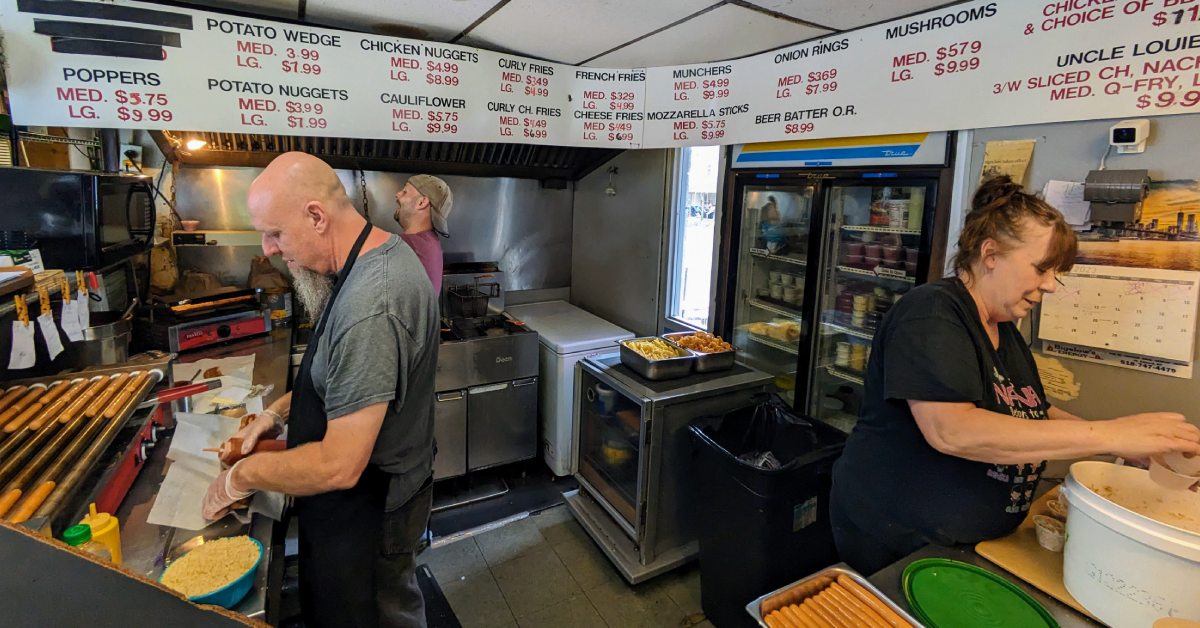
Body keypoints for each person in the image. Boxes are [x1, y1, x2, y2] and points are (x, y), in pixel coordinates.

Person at [829, 175, 1200, 575]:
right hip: (901, 538)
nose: (1051, 286)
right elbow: (952, 431)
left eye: (1056, 272)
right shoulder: (932, 312)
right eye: (1042, 269)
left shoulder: (1003, 326)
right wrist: (1112, 434)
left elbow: (1031, 409)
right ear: (990, 254)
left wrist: (1126, 448)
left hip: (969, 542)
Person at [202, 152, 438, 627]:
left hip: (375, 505)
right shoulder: (366, 257)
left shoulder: (374, 304)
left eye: (275, 233)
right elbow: (343, 377)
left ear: (316, 216)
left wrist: (241, 477)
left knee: (381, 613)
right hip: (359, 499)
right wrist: (276, 414)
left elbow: (338, 464)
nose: (268, 249)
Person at [394, 174, 452, 293]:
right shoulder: (431, 242)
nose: (397, 194)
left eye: (405, 192)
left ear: (421, 202)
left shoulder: (407, 246)